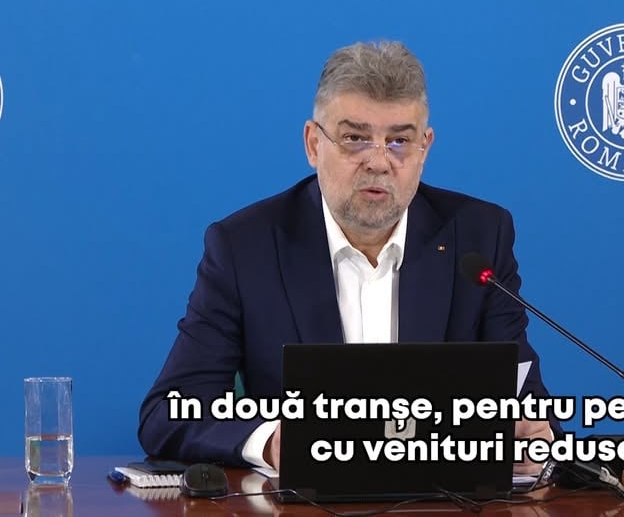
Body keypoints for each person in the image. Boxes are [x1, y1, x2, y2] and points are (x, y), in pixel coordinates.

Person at [138, 40, 557, 475]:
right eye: (355, 139)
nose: (378, 162)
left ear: (425, 149)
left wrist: (532, 439)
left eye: (399, 141)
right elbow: (168, 413)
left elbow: (527, 403)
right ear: (313, 144)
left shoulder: (479, 238)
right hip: (303, 502)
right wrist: (271, 442)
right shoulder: (245, 247)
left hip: (442, 499)